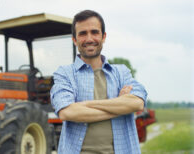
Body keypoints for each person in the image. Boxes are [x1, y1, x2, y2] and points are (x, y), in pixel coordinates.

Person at [50, 10, 147, 154]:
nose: (89, 38)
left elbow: (138, 102)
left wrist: (84, 105)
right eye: (83, 33)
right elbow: (67, 112)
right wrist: (119, 106)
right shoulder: (65, 73)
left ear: (103, 37)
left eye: (94, 32)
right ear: (74, 40)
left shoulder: (122, 72)